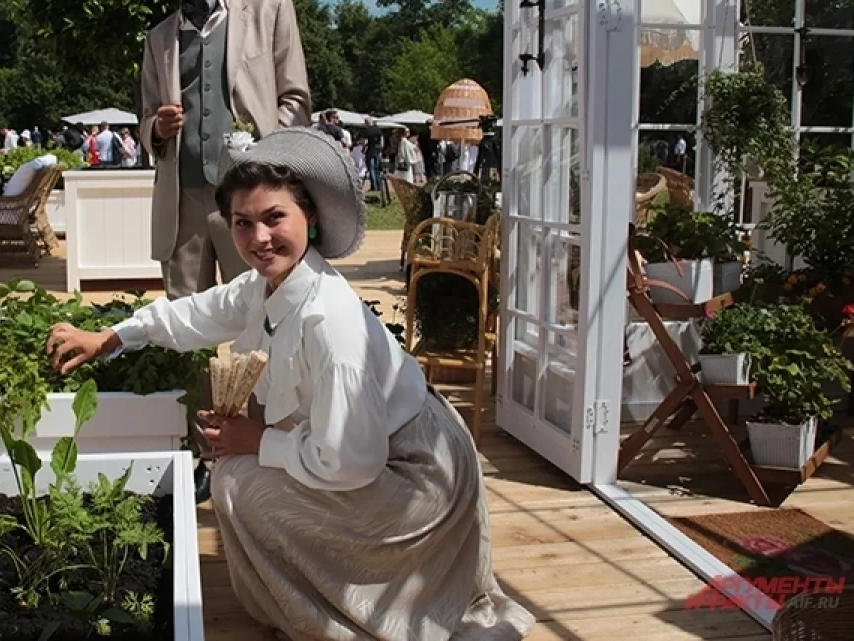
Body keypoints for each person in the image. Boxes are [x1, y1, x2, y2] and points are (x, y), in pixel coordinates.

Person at [46, 128, 535, 641]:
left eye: (274, 218)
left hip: (418, 476)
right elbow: (199, 313)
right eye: (243, 223)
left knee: (237, 479)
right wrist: (109, 337)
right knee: (237, 470)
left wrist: (254, 441)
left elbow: (352, 459)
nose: (259, 238)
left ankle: (325, 619)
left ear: (312, 217)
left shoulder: (331, 324)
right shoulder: (269, 284)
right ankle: (303, 602)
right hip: (377, 450)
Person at [135, 0, 311, 301]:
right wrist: (156, 129)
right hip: (183, 205)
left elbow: (296, 100)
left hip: (253, 199)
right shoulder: (159, 38)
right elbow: (144, 118)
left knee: (264, 316)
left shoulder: (271, 10)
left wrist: (267, 158)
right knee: (185, 323)